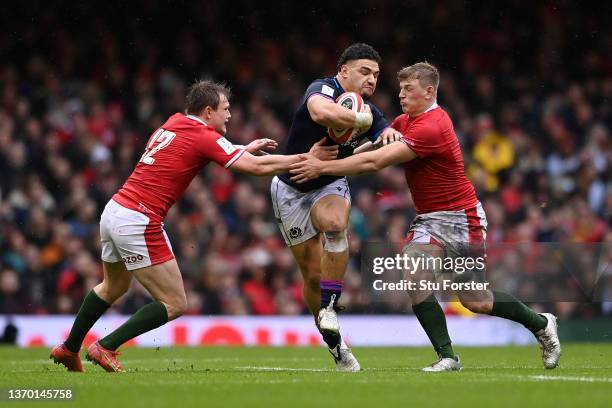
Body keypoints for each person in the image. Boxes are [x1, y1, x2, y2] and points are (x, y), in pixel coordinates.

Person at [289, 62, 561, 372]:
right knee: (414, 275)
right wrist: (333, 153)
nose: (401, 95)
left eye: (409, 89)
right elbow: (374, 146)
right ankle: (448, 356)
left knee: (476, 300)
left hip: (461, 218)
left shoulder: (433, 126)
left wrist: (321, 168)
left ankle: (541, 324)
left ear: (429, 91)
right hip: (429, 219)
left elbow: (377, 161)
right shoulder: (407, 120)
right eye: (401, 89)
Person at [50, 80, 308, 372]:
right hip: (139, 219)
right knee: (174, 303)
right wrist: (306, 160)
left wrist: (241, 148)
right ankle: (105, 346)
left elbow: (196, 148)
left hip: (115, 210)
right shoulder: (204, 136)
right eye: (226, 109)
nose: (230, 115)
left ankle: (69, 348)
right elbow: (256, 168)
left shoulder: (175, 122)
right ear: (209, 111)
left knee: (114, 285)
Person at [271, 43, 402, 372]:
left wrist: (387, 135)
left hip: (328, 183)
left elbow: (385, 137)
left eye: (375, 75)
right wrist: (361, 118)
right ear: (343, 71)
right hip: (290, 188)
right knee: (311, 275)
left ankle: (330, 306)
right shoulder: (324, 88)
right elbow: (321, 113)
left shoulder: (373, 112)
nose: (371, 80)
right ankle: (335, 344)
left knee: (334, 222)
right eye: (364, 71)